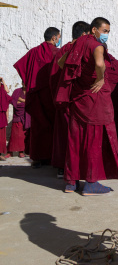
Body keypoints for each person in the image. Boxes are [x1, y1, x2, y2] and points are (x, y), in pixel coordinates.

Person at [56, 17, 118, 195]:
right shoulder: (96, 46)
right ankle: (91, 183)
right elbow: (100, 63)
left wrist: (79, 78)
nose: (106, 34)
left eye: (108, 31)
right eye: (105, 31)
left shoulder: (77, 44)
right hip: (94, 99)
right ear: (94, 30)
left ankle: (71, 183)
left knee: (75, 140)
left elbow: (61, 63)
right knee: (93, 140)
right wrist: (100, 78)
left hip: (78, 98)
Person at [14, 27, 61, 167]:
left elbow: (21, 66)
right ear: (54, 38)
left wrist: (29, 84)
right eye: (58, 37)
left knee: (38, 125)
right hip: (50, 95)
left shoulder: (34, 51)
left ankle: (37, 157)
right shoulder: (57, 53)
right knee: (52, 125)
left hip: (35, 94)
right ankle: (51, 156)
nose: (58, 40)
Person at [50, 21, 91, 177]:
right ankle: (66, 167)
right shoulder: (68, 50)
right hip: (71, 99)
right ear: (83, 35)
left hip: (71, 99)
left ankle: (70, 167)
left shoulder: (65, 50)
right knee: (68, 134)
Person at [7, 85, 30, 157]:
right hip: (17, 116)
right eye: (23, 83)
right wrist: (23, 101)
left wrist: (21, 100)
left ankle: (21, 151)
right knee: (14, 135)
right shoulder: (17, 91)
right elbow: (12, 100)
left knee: (23, 135)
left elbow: (30, 102)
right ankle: (10, 152)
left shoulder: (29, 92)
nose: (24, 85)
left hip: (25, 116)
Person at [0, 78, 10, 158]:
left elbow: (7, 91)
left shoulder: (2, 90)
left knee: (1, 135)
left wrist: (3, 80)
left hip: (1, 115)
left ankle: (0, 153)